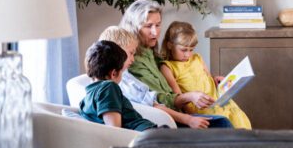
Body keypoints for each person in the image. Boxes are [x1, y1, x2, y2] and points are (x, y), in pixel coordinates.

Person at [98, 25, 231, 129]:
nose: (133, 59)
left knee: (223, 121)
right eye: (131, 53)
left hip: (167, 118)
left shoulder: (127, 77)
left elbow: (154, 102)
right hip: (159, 123)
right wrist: (188, 119)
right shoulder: (118, 84)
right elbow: (152, 108)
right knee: (222, 124)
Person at [121, 0, 217, 115]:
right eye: (148, 26)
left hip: (183, 111)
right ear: (134, 28)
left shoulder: (150, 51)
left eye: (158, 25)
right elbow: (158, 100)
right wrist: (189, 98)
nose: (155, 32)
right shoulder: (133, 61)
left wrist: (212, 80)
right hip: (170, 117)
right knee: (224, 123)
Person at [159, 21, 252, 129]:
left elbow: (208, 78)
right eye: (183, 50)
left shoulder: (197, 58)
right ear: (170, 45)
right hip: (202, 107)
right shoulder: (167, 67)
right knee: (227, 127)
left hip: (218, 99)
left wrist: (217, 80)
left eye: (191, 50)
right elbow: (179, 99)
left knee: (240, 122)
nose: (188, 54)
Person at [78, 40, 158, 131]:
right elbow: (115, 131)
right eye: (121, 71)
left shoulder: (85, 99)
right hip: (146, 135)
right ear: (114, 73)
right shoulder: (109, 87)